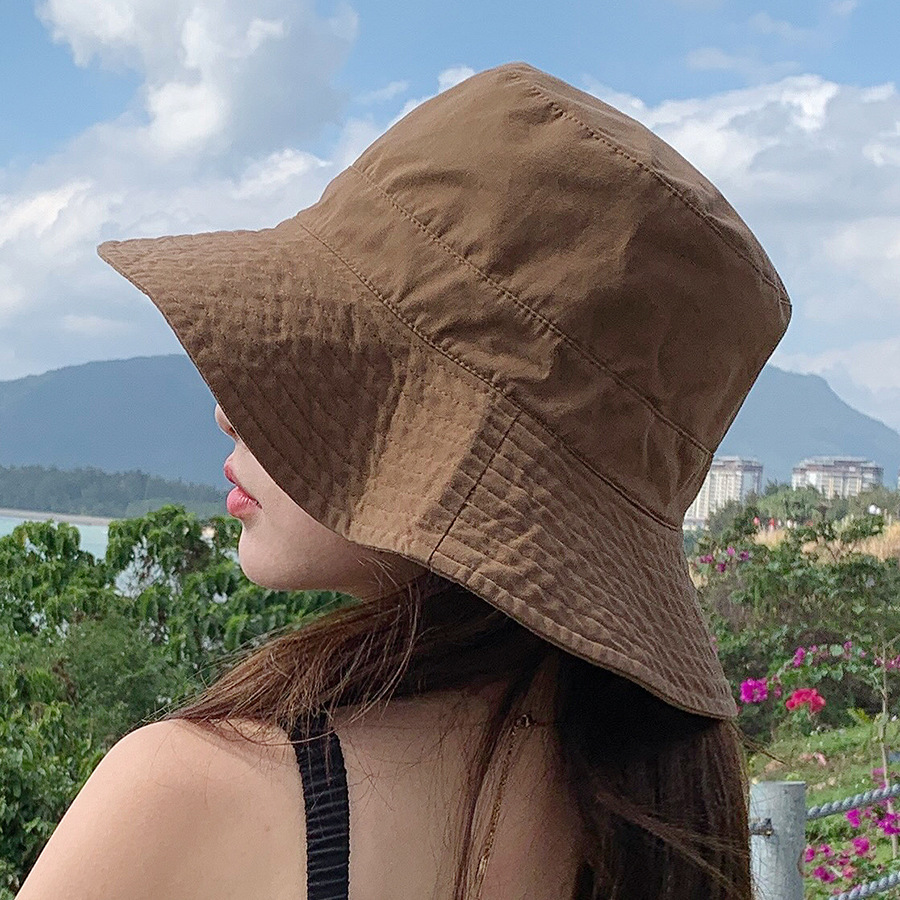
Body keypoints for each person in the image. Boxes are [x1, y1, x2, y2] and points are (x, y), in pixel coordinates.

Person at [17, 62, 791, 900]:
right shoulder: (670, 809)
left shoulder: (190, 792)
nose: (230, 412)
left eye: (319, 368)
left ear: (448, 451)